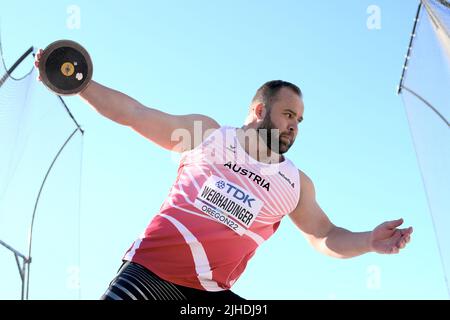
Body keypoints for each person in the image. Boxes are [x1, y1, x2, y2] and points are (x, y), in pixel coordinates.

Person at [35, 50, 413, 301]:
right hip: (151, 273)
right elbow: (135, 113)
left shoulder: (295, 184)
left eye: (298, 120)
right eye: (287, 115)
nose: (294, 126)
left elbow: (325, 235)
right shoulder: (207, 135)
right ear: (259, 109)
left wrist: (368, 241)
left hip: (212, 295)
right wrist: (80, 83)